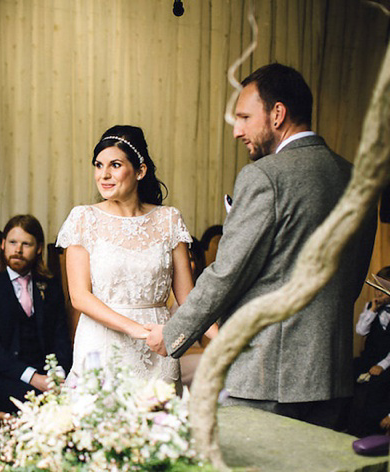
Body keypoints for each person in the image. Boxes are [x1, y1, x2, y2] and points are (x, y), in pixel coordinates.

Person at [146, 63, 376, 429]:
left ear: (278, 114)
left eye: (244, 117)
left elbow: (227, 273)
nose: (237, 131)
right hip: (332, 372)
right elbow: (351, 278)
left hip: (267, 376)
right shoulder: (355, 178)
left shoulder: (265, 176)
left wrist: (173, 333)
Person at [56, 125, 211, 391]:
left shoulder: (169, 220)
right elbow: (79, 296)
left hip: (158, 349)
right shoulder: (83, 219)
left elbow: (188, 298)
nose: (103, 175)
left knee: (161, 428)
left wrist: (225, 341)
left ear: (140, 171)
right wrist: (138, 330)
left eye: (115, 165)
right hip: (102, 346)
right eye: (98, 165)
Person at [0, 215, 73, 414]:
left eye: (26, 244)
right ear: (3, 244)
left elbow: (60, 337)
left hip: (44, 374)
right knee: (46, 405)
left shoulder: (49, 285)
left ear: (38, 248)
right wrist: (35, 379)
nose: (18, 250)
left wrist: (56, 376)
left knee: (84, 396)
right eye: (13, 242)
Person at [349, 266, 390, 436]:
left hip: (386, 362)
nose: (379, 294)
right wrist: (372, 310)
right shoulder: (370, 307)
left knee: (380, 387)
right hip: (369, 358)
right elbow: (361, 330)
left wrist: (382, 365)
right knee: (350, 375)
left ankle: (377, 427)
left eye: (384, 290)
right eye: (377, 289)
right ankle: (351, 426)